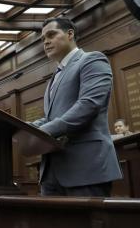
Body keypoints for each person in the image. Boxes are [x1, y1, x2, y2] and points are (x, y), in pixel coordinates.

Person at [29, 17, 122, 197]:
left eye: (51, 35)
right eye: (42, 39)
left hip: (86, 168)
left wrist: (41, 133)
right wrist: (21, 127)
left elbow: (88, 105)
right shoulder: (53, 78)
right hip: (51, 172)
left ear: (70, 34)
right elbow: (51, 118)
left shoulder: (92, 60)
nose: (46, 42)